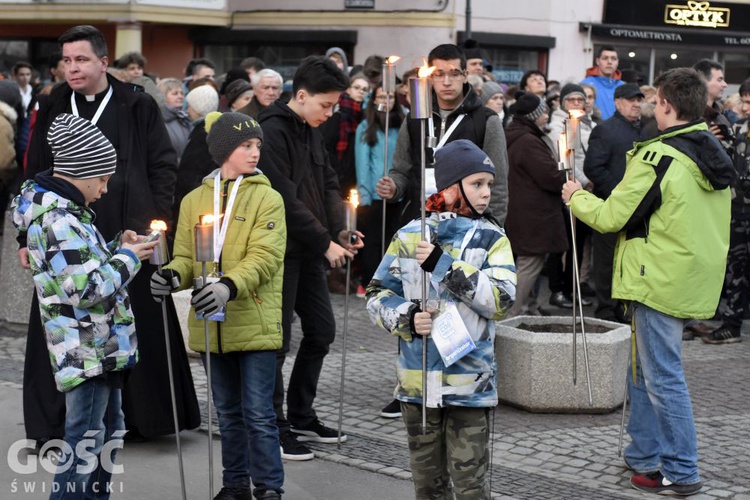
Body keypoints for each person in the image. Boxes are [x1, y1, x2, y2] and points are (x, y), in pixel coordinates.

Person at [24, 24, 200, 443]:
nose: (72, 68)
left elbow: (162, 166)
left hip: (128, 230)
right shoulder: (54, 103)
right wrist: (23, 238)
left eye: (81, 59)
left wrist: (155, 220)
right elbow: (35, 168)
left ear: (104, 62)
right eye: (66, 60)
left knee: (131, 321)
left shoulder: (136, 103)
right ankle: (55, 427)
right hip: (65, 233)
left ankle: (141, 420)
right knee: (64, 321)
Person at [562, 67, 734, 496]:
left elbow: (610, 216)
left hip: (657, 277)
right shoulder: (709, 147)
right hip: (687, 273)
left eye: (655, 102)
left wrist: (574, 196)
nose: (651, 108)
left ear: (668, 107)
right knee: (643, 373)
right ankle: (643, 453)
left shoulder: (661, 156)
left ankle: (679, 469)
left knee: (661, 376)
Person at [12, 113, 159, 498]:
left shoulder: (69, 214)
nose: (106, 190)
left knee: (107, 433)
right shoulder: (59, 220)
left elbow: (80, 269)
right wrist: (128, 257)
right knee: (86, 440)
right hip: (86, 350)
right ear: (82, 174)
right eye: (104, 180)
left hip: (97, 347)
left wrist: (115, 245)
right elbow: (87, 290)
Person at [367, 139, 516, 499]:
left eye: (489, 185)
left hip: (468, 387)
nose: (485, 194)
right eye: (477, 184)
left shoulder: (492, 238)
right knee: (427, 487)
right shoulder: (407, 236)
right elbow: (377, 296)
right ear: (450, 187)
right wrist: (408, 316)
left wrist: (444, 266)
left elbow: (501, 299)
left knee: (470, 487)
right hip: (417, 386)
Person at [152, 111, 286, 500]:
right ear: (223, 150)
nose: (255, 152)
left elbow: (266, 257)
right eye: (246, 145)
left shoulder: (268, 197)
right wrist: (172, 276)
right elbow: (184, 257)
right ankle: (234, 485)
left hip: (254, 319)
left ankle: (269, 488)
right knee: (227, 413)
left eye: (258, 145)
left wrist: (229, 285)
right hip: (211, 322)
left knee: (259, 414)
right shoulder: (194, 200)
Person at [257, 55, 363, 461]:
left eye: (335, 105)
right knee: (277, 342)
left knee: (321, 331)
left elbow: (328, 182)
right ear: (301, 96)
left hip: (311, 250)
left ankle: (301, 414)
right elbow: (283, 197)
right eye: (326, 104)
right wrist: (324, 241)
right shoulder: (272, 130)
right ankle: (275, 424)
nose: (330, 112)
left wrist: (339, 230)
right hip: (280, 252)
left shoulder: (312, 129)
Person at [377, 43, 509, 226]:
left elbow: (499, 183)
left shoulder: (486, 121)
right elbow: (401, 170)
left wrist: (493, 227)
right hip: (418, 221)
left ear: (465, 76)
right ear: (430, 77)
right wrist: (394, 187)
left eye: (454, 73)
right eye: (439, 74)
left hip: (466, 225)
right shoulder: (415, 118)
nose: (446, 82)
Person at [583, 83, 644, 323]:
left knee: (627, 258)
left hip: (634, 207)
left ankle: (622, 304)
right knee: (606, 259)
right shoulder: (605, 130)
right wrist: (617, 194)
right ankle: (606, 308)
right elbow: (592, 167)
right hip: (610, 205)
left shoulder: (642, 131)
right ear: (618, 102)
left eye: (639, 100)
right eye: (631, 100)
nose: (637, 104)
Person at [504, 93, 567, 317]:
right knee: (530, 264)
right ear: (534, 116)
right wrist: (564, 170)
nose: (548, 115)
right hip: (533, 214)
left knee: (531, 262)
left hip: (525, 211)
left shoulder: (519, 135)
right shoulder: (528, 141)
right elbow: (549, 176)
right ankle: (514, 311)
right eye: (544, 112)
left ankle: (528, 308)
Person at [702, 77, 750, 345]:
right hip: (737, 213)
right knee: (735, 270)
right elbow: (726, 158)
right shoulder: (740, 128)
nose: (745, 108)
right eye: (744, 101)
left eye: (749, 103)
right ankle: (731, 324)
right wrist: (712, 140)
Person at [546, 83, 595, 309]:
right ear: (562, 102)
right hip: (568, 191)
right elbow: (566, 160)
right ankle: (558, 290)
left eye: (580, 100)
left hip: (588, 191)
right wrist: (584, 182)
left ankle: (573, 288)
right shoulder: (559, 125)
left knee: (579, 243)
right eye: (571, 100)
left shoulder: (590, 124)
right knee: (563, 243)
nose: (576, 104)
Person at [354, 84, 405, 298]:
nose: (386, 99)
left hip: (397, 192)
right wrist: (364, 193)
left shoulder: (402, 125)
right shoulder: (366, 126)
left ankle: (389, 281)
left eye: (390, 95)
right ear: (374, 99)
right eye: (382, 95)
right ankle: (368, 281)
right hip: (374, 194)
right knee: (372, 240)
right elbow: (362, 162)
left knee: (393, 240)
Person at [321, 73, 369, 196]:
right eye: (357, 87)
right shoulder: (338, 114)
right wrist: (338, 173)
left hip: (355, 174)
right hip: (337, 174)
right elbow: (328, 145)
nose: (361, 92)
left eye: (365, 89)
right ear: (348, 89)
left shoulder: (365, 116)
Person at [580, 46, 624, 120]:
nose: (609, 62)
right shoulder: (586, 84)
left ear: (617, 62)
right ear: (597, 61)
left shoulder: (623, 86)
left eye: (613, 59)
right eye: (605, 58)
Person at [157, 77, 191, 163]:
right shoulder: (160, 120)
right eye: (175, 93)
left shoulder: (185, 118)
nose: (180, 96)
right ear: (162, 97)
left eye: (182, 93)